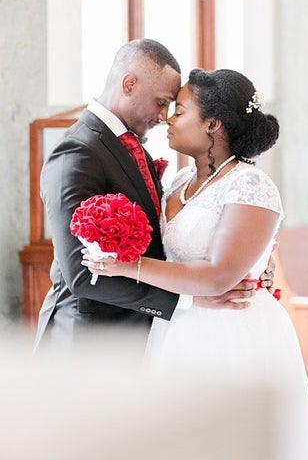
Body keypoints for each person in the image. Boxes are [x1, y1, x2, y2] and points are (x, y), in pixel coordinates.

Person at [83, 68, 308, 458]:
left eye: (178, 110)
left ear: (212, 123)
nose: (167, 118)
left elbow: (218, 276)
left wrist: (129, 265)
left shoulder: (251, 184)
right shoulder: (178, 183)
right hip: (177, 326)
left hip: (232, 331)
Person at [36, 39, 270, 353]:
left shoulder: (133, 148)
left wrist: (250, 265)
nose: (163, 117)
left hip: (145, 340)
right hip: (86, 342)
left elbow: (163, 245)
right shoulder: (78, 152)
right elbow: (80, 274)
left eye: (173, 108)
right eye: (161, 102)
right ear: (129, 83)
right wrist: (188, 299)